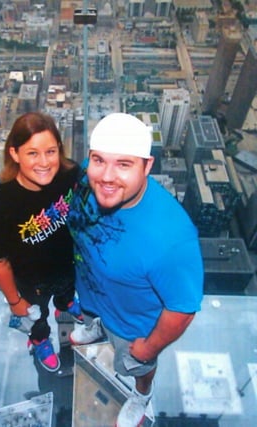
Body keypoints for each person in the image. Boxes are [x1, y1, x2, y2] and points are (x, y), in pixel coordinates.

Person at [67, 113, 204, 427]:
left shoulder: (172, 239)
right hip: (91, 295)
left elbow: (182, 309)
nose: (106, 176)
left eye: (124, 164)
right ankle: (94, 327)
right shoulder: (86, 179)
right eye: (99, 160)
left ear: (147, 166)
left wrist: (147, 348)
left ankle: (142, 395)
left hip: (131, 327)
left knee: (137, 367)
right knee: (92, 319)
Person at [0, 112, 83, 372]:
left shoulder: (70, 175)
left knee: (66, 293)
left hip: (67, 266)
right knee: (37, 318)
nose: (44, 162)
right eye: (32, 153)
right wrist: (15, 302)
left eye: (50, 151)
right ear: (14, 154)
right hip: (31, 282)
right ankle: (39, 340)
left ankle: (66, 304)